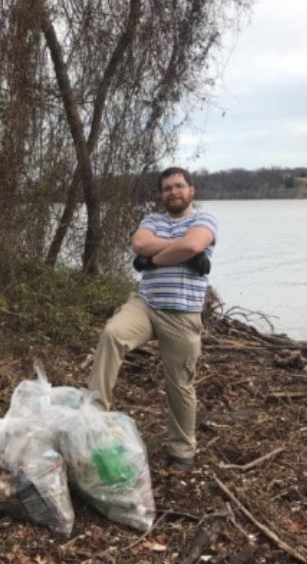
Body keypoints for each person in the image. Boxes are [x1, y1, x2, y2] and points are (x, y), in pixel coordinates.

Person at [88, 167, 217, 471]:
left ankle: (182, 449)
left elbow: (194, 244)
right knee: (112, 334)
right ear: (162, 194)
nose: (174, 192)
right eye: (167, 188)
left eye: (179, 186)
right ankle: (93, 419)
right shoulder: (152, 220)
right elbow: (140, 245)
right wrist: (180, 252)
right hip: (145, 304)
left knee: (180, 383)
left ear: (191, 190)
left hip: (183, 313)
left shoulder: (204, 218)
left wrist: (153, 261)